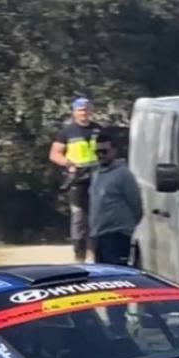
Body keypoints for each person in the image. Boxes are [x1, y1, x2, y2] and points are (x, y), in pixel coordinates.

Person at [49, 97, 101, 262]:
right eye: (80, 110)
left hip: (97, 179)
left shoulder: (99, 130)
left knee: (97, 218)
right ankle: (79, 255)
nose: (83, 113)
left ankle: (95, 255)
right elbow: (54, 154)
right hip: (77, 180)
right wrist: (68, 164)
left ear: (91, 111)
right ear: (74, 112)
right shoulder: (67, 132)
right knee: (79, 219)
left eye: (86, 110)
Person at [89, 131, 142, 266]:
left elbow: (136, 204)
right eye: (98, 152)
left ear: (114, 151)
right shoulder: (96, 175)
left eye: (105, 151)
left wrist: (126, 227)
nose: (101, 155)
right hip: (99, 235)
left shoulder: (123, 174)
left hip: (117, 235)